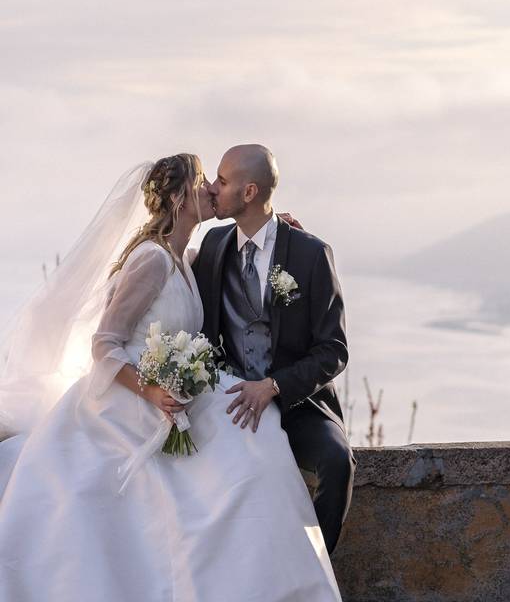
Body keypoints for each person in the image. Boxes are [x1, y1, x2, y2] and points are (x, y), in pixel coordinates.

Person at [0, 154, 342, 601]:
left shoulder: (189, 257)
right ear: (181, 198)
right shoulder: (152, 261)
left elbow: (249, 254)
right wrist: (154, 389)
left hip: (186, 392)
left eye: (219, 182)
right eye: (205, 183)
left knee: (261, 450)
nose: (212, 191)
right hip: (137, 399)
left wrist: (280, 231)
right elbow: (104, 343)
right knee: (241, 465)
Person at [193, 144, 355, 555]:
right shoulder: (213, 246)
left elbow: (334, 349)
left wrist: (274, 386)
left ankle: (313, 570)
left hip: (298, 402)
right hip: (231, 402)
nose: (212, 187)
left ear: (249, 193)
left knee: (338, 465)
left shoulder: (310, 253)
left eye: (223, 180)